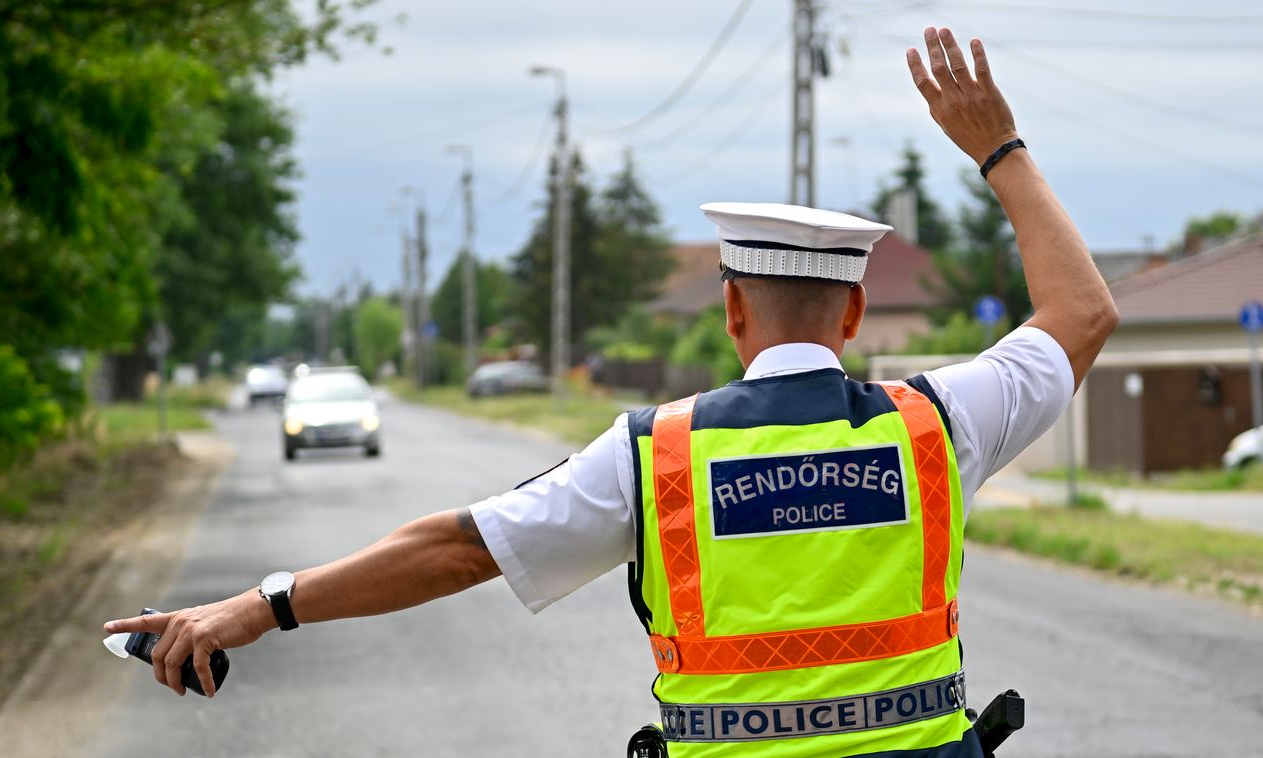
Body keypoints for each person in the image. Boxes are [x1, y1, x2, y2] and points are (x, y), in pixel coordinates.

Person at [104, 27, 1117, 757]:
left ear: (731, 312)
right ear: (853, 318)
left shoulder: (657, 456)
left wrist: (258, 604)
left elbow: (458, 548)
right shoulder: (941, 428)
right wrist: (1000, 148)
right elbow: (1081, 313)